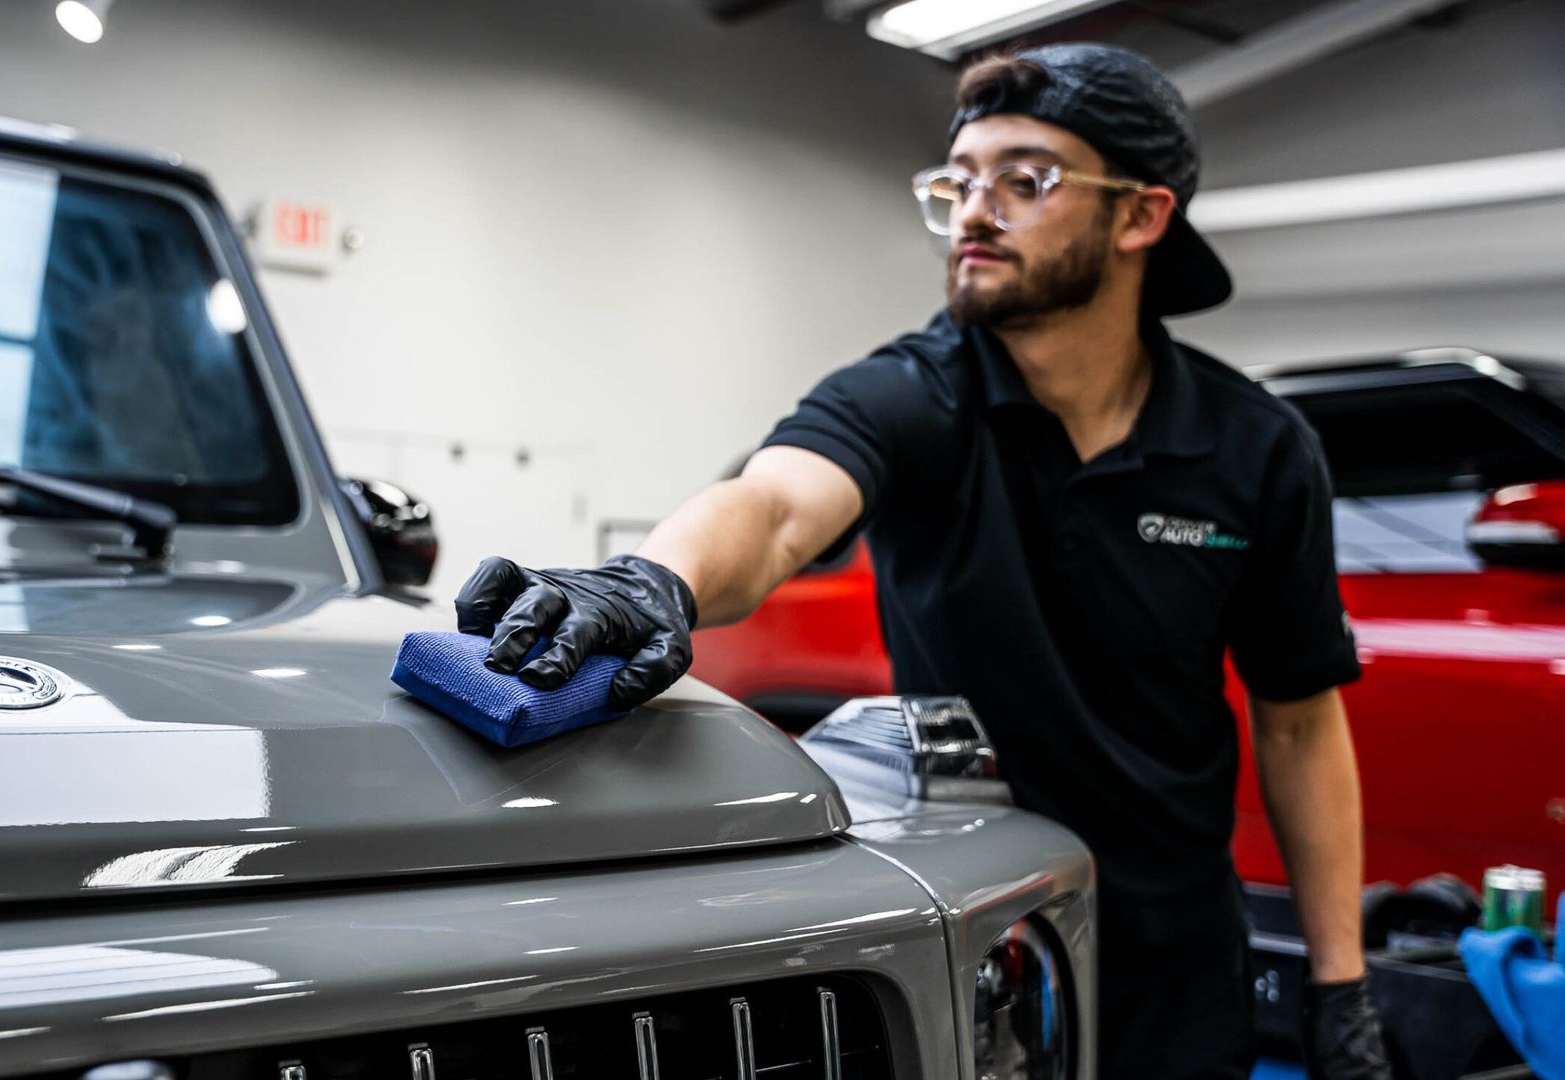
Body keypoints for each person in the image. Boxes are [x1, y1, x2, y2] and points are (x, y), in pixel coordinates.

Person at [455, 42, 1389, 1079]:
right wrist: (654, 580)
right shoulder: (916, 396)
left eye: (1024, 179)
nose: (976, 210)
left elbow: (1301, 722)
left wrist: (1339, 990)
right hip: (989, 941)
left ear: (1141, 217)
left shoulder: (1257, 450)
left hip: (1181, 962)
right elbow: (772, 510)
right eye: (959, 182)